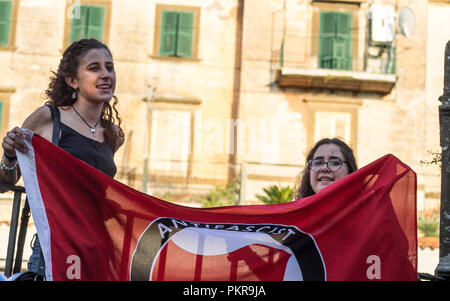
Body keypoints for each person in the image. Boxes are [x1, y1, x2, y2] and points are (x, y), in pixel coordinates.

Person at [0, 38, 125, 279]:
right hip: (56, 247)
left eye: (109, 67)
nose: (106, 74)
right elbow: (7, 179)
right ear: (72, 81)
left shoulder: (114, 135)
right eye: (94, 68)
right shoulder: (47, 119)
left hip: (98, 247)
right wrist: (9, 155)